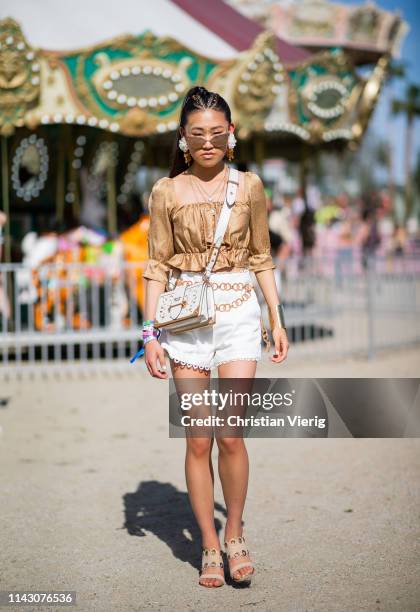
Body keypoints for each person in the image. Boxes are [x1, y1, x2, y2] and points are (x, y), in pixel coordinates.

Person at [141, 86, 289, 588]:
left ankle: (235, 533)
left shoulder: (249, 187)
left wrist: (276, 317)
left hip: (239, 316)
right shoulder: (166, 191)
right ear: (183, 138)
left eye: (216, 133)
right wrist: (149, 334)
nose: (207, 142)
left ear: (232, 136)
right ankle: (207, 542)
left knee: (230, 433)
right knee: (198, 438)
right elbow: (156, 265)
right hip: (185, 324)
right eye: (197, 133)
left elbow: (262, 256)